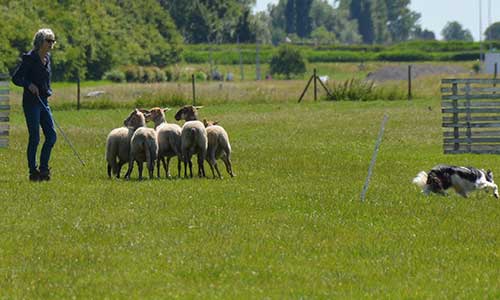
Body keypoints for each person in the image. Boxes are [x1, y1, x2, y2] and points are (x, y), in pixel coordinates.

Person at [12, 28, 57, 181]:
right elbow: (16, 78)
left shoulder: (48, 58)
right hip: (31, 103)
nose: (51, 44)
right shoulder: (30, 58)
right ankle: (33, 172)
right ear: (40, 42)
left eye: (53, 41)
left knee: (51, 136)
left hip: (44, 101)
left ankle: (44, 169)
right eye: (48, 41)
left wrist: (46, 91)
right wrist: (29, 84)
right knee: (35, 138)